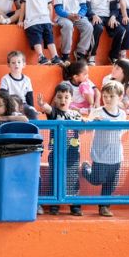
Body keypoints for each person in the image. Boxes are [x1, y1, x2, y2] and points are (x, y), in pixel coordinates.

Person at [81, 81, 127, 217]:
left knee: (110, 185)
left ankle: (104, 207)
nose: (107, 99)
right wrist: (87, 122)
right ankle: (85, 168)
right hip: (100, 155)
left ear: (119, 97)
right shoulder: (97, 111)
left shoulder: (123, 114)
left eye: (111, 96)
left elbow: (123, 130)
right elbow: (85, 131)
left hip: (116, 156)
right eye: (105, 96)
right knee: (97, 179)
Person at [37, 84, 83, 216]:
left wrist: (85, 123)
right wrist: (42, 104)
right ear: (55, 99)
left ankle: (75, 205)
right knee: (54, 177)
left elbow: (83, 130)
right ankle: (54, 204)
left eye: (66, 97)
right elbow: (47, 108)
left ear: (71, 99)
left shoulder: (75, 114)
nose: (63, 100)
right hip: (56, 153)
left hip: (72, 154)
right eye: (59, 97)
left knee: (72, 178)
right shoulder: (54, 113)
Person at [19, 0, 64, 65]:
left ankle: (55, 56)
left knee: (50, 38)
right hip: (32, 21)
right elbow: (23, 5)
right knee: (37, 39)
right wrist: (20, 20)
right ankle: (41, 57)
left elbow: (50, 6)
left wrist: (50, 19)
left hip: (45, 20)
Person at [85, 0, 124, 65]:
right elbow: (87, 8)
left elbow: (114, 8)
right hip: (95, 17)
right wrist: (93, 15)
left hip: (108, 18)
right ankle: (91, 55)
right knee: (98, 28)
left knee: (121, 30)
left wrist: (113, 16)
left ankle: (113, 55)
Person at [54, 0, 92, 64]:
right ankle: (65, 54)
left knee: (88, 26)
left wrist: (79, 15)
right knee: (68, 25)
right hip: (64, 17)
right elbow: (58, 9)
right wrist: (68, 15)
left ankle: (80, 52)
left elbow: (84, 8)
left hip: (78, 17)